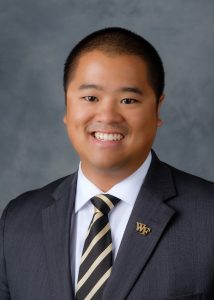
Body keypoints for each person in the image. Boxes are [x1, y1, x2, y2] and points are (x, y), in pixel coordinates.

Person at [0, 27, 214, 300]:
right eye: (90, 98)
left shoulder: (208, 217)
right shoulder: (18, 220)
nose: (108, 116)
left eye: (128, 100)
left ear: (157, 109)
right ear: (67, 106)